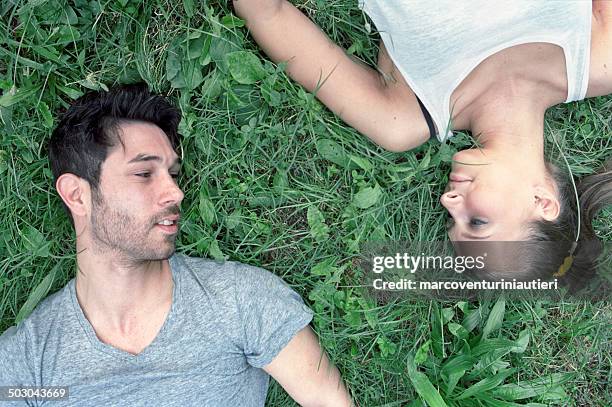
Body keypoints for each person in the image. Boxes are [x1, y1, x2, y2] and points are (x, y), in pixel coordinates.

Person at [0, 83, 353, 406]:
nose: (176, 192)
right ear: (77, 194)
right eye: (144, 174)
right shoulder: (27, 364)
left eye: (172, 174)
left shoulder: (240, 300)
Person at [233, 0, 612, 284]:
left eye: (453, 220)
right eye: (477, 222)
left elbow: (269, 14)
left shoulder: (402, 118)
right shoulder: (600, 60)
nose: (448, 201)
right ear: (542, 201)